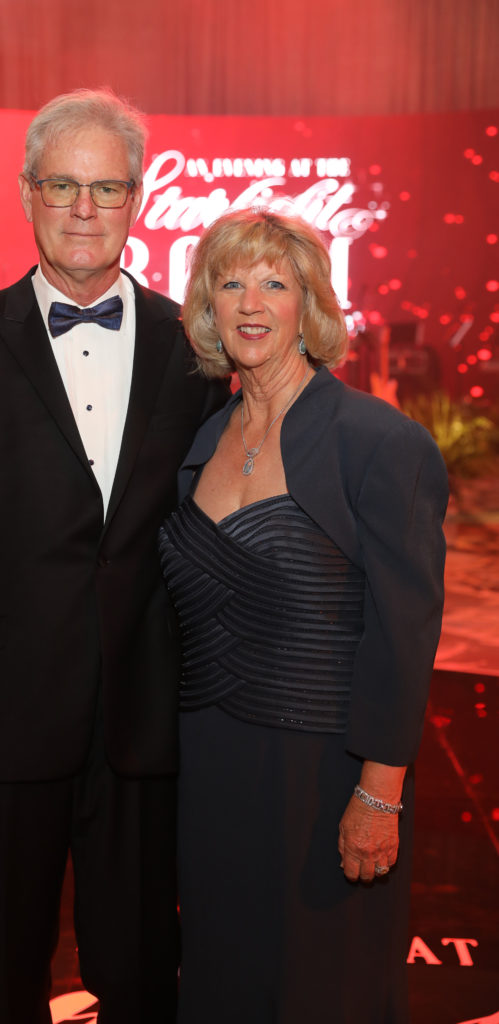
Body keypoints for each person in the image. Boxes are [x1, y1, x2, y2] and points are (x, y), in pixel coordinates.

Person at [0, 88, 228, 1024]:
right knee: (4, 981)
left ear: (136, 199)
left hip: (144, 729)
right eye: (62, 185)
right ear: (27, 192)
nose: (82, 208)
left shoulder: (193, 349)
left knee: (144, 980)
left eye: (106, 188)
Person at [159, 209, 448, 1023]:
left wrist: (378, 796)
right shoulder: (200, 442)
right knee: (223, 983)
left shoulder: (377, 441)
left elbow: (403, 633)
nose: (250, 302)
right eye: (229, 283)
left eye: (273, 283)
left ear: (308, 305)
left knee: (326, 991)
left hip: (325, 780)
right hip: (211, 774)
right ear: (207, 308)